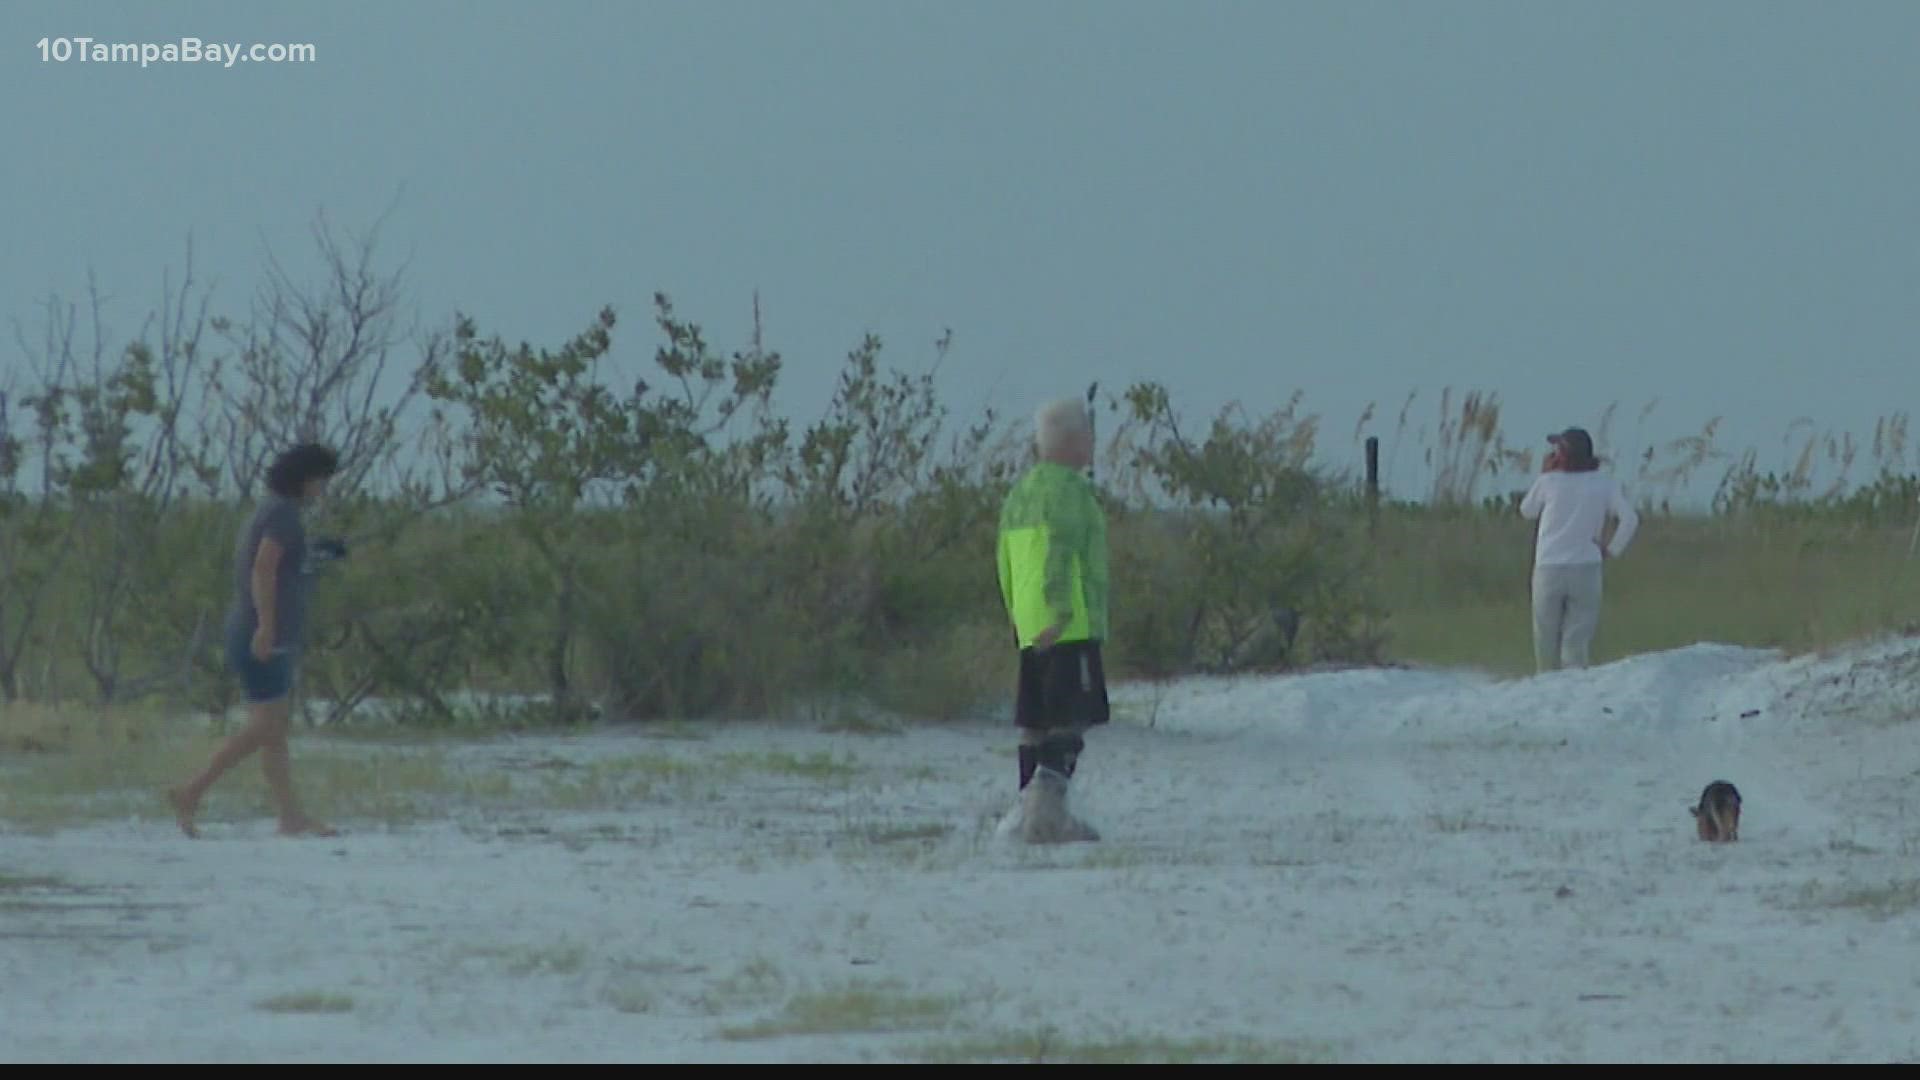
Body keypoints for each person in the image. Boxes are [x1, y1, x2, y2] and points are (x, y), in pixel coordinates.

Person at [170, 443, 346, 838]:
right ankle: (191, 790)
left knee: (274, 729)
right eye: (321, 480)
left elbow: (281, 563)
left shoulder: (274, 512)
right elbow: (263, 568)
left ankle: (290, 816)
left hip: (262, 630)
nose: (323, 488)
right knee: (266, 727)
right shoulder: (282, 514)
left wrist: (317, 552)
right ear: (305, 478)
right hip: (262, 632)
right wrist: (265, 626)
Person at [996, 397, 1111, 798]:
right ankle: (1046, 809)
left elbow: (1005, 560)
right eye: (1089, 435)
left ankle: (1026, 803)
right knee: (1069, 720)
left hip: (1030, 625)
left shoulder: (1020, 494)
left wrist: (1016, 615)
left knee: (1035, 721)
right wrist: (1061, 613)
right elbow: (1058, 554)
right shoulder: (1070, 493)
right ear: (1074, 440)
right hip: (1068, 625)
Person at [1519, 426, 1639, 673]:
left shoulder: (1548, 481)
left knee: (1545, 635)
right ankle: (1573, 684)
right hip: (1586, 567)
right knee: (1577, 638)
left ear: (1563, 454)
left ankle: (1546, 684)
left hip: (1548, 566)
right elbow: (1630, 519)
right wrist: (1612, 549)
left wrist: (1543, 473)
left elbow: (1527, 511)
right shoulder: (1604, 483)